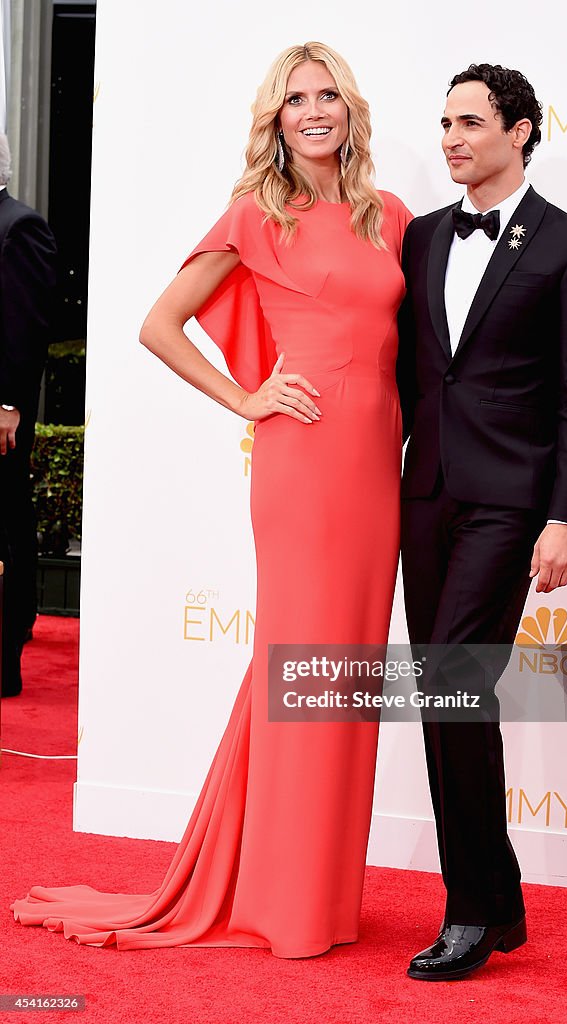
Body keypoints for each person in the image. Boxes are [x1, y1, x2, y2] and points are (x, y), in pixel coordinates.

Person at [11, 42, 411, 957]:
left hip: (374, 472)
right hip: (303, 464)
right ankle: (281, 902)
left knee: (343, 677)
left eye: (327, 96)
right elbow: (158, 323)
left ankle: (314, 890)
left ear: (349, 109)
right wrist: (245, 396)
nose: (313, 111)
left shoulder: (389, 215)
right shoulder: (255, 213)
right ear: (274, 120)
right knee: (301, 662)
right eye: (293, 100)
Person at [397, 64, 567, 980]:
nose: (452, 137)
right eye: (444, 121)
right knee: (446, 699)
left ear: (521, 131)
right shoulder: (418, 238)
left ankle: (471, 912)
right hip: (425, 496)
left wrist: (566, 516)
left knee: (453, 687)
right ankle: (496, 899)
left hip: (508, 504)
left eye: (471, 121)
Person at [0, 133, 57, 698]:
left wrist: (10, 404)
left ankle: (6, 655)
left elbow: (26, 325)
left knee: (7, 526)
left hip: (1, 413)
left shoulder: (20, 225)